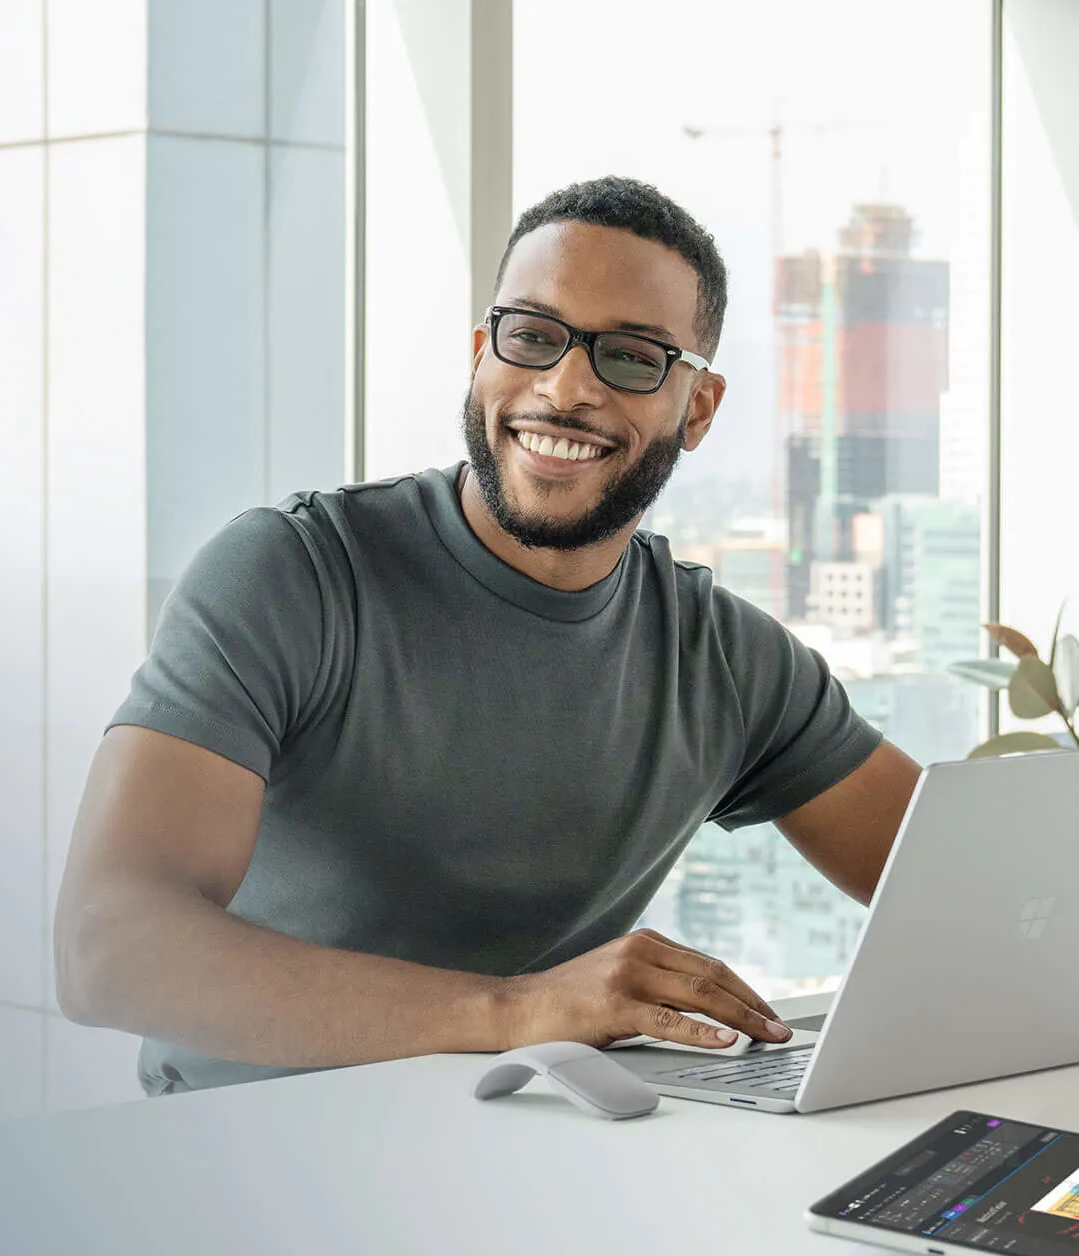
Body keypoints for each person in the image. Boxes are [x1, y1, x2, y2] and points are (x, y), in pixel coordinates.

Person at [51, 175, 925, 1095]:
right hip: (243, 1164)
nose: (565, 388)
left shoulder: (724, 659)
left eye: (630, 357)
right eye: (533, 336)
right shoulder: (294, 576)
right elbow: (104, 947)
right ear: (481, 354)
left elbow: (968, 897)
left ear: (697, 409)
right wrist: (514, 1013)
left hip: (531, 1156)